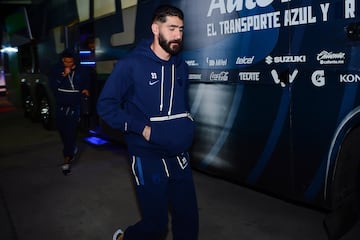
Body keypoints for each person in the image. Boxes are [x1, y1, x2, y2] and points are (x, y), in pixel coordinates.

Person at [97, 5, 199, 240]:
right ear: (155, 28)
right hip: (147, 156)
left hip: (179, 156)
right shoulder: (131, 65)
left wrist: (187, 123)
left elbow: (183, 105)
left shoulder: (181, 66)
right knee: (156, 225)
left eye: (181, 30)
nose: (178, 35)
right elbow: (106, 105)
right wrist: (141, 128)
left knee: (188, 220)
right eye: (171, 28)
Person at [49, 48, 91, 175]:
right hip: (60, 104)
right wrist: (63, 75)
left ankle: (67, 159)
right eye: (65, 62)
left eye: (70, 62)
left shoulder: (81, 71)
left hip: (75, 105)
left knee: (70, 130)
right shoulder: (57, 69)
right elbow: (53, 86)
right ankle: (71, 148)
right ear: (62, 60)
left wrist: (85, 89)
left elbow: (87, 83)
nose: (68, 64)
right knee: (61, 129)